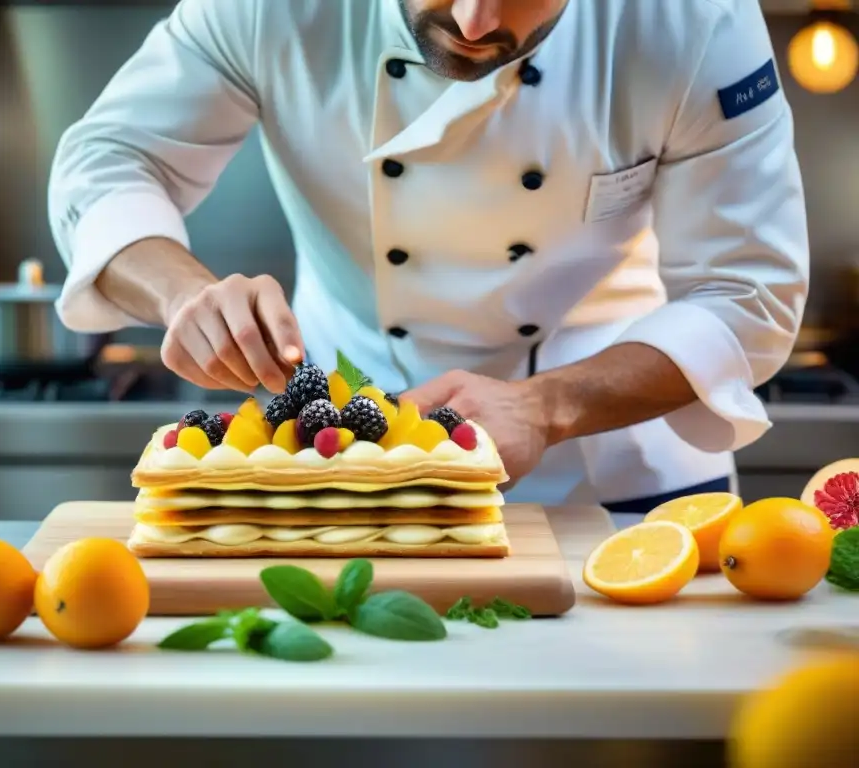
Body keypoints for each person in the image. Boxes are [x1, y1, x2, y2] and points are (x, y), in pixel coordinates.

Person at [48, 0, 809, 513]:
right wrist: (182, 293)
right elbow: (110, 158)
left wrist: (548, 407)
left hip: (616, 474)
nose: (476, 21)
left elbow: (748, 292)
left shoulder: (692, 19)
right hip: (343, 454)